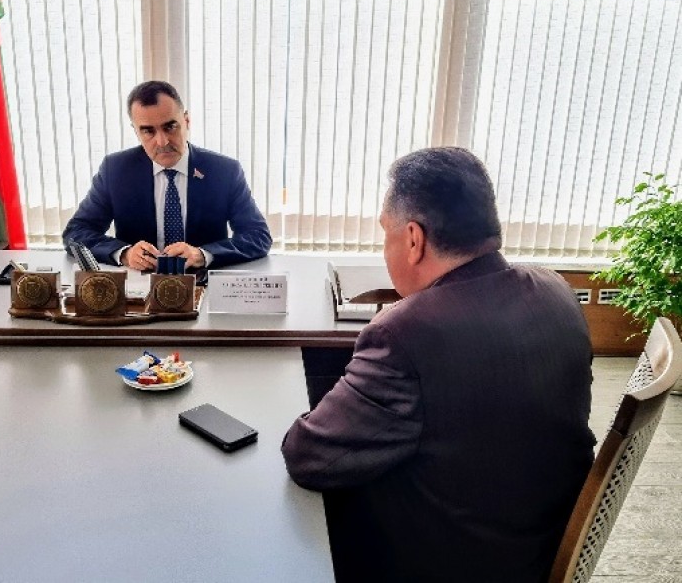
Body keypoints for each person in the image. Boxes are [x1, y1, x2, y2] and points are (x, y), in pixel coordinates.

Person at [281, 147, 595, 582]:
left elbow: (308, 457)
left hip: (440, 559)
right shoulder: (555, 291)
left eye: (386, 233)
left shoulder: (406, 332)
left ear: (414, 239)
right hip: (532, 544)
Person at [62, 81, 272, 269]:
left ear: (186, 121)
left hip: (202, 284)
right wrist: (124, 253)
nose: (162, 142)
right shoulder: (116, 170)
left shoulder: (224, 171)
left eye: (170, 127)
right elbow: (76, 233)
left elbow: (258, 236)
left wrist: (203, 255)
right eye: (148, 131)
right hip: (139, 288)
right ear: (136, 131)